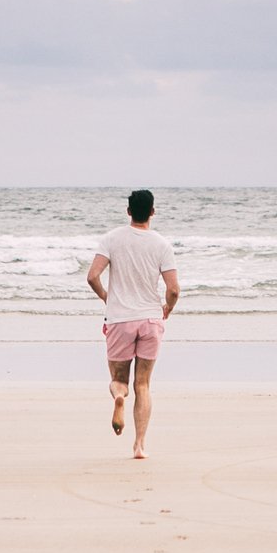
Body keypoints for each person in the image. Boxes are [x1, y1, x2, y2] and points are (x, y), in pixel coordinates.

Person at [87, 190, 180, 459]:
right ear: (152, 212)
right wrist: (168, 309)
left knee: (119, 380)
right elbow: (173, 289)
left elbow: (92, 276)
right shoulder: (162, 245)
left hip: (120, 319)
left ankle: (119, 396)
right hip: (151, 319)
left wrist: (108, 298)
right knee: (143, 384)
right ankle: (140, 445)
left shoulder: (112, 239)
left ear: (128, 211)